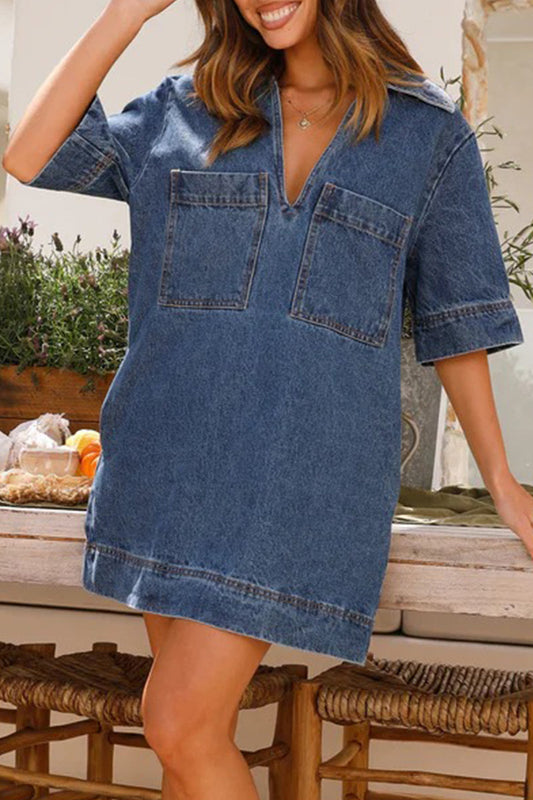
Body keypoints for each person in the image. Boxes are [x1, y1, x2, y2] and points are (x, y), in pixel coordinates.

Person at [3, 0, 532, 798]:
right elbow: (30, 153)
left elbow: (456, 324)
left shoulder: (427, 136)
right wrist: (126, 12)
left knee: (176, 723)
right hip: (165, 463)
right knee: (191, 739)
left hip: (301, 481)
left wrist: (499, 481)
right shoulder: (188, 110)